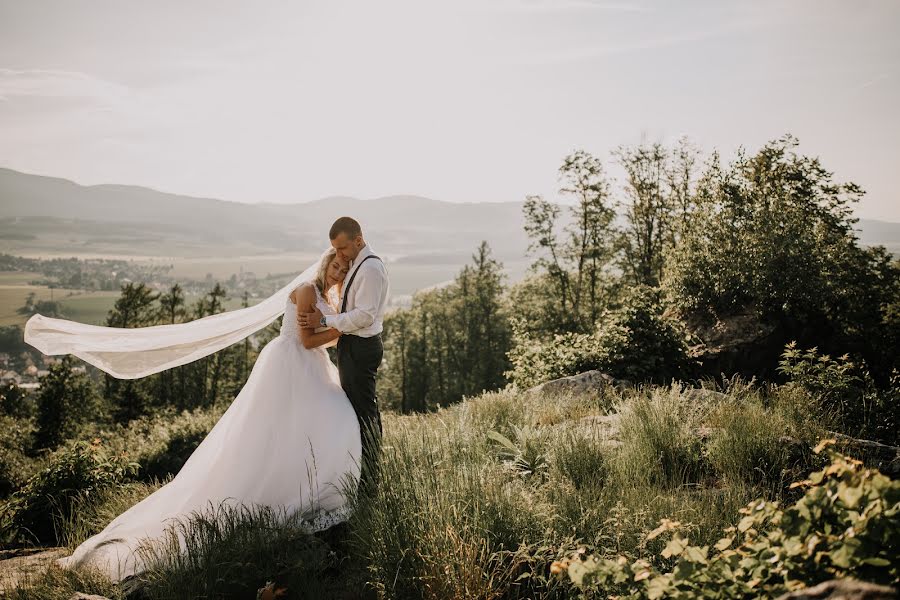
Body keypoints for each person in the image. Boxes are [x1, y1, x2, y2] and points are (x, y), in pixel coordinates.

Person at [49, 248, 363, 583]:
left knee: (321, 425)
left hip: (311, 369)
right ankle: (284, 495)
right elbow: (306, 339)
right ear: (325, 262)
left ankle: (316, 491)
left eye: (343, 269)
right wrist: (344, 327)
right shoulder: (306, 291)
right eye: (335, 264)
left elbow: (320, 339)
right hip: (290, 366)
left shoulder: (330, 296)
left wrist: (336, 324)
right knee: (283, 432)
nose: (338, 271)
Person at [298, 217, 390, 500]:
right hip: (354, 347)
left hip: (361, 349)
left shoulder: (371, 268)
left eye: (343, 249)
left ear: (358, 240)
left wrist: (324, 318)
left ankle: (369, 482)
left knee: (363, 414)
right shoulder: (359, 265)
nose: (339, 256)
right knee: (359, 411)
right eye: (335, 251)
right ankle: (360, 474)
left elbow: (364, 315)